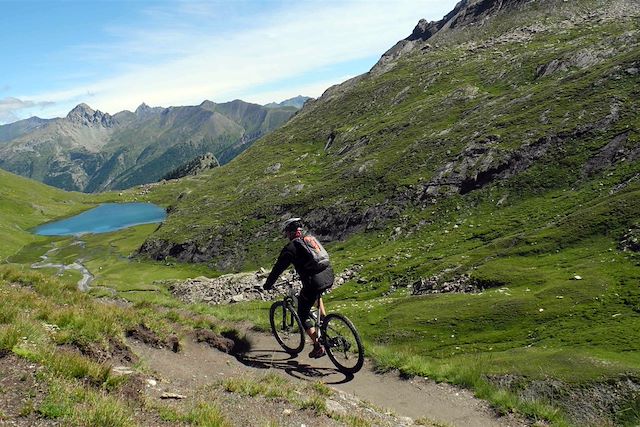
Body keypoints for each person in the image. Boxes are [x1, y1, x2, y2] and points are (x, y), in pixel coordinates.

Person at [263, 217, 334, 358]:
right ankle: (323, 320)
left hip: (314, 281)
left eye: (287, 233)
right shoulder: (310, 239)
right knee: (315, 294)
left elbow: (278, 268)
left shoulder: (291, 248)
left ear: (289, 232)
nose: (287, 236)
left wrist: (268, 284)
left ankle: (318, 346)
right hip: (328, 275)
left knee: (302, 313)